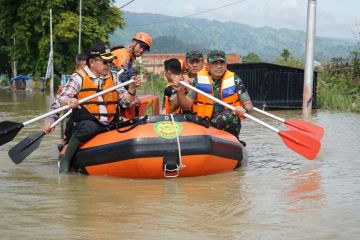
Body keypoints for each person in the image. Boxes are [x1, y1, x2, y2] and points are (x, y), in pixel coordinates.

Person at [57, 42, 141, 173]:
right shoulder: (78, 77)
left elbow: (125, 103)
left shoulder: (113, 77)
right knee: (88, 127)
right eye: (104, 62)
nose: (108, 65)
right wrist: (70, 100)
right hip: (90, 122)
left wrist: (131, 90)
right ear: (92, 62)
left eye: (110, 62)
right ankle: (66, 159)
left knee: (130, 123)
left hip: (111, 122)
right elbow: (61, 99)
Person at [173, 50, 254, 140]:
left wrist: (244, 109)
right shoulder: (199, 81)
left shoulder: (235, 80)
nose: (218, 66)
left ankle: (215, 133)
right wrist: (179, 91)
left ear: (226, 64)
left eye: (221, 63)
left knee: (230, 116)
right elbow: (186, 106)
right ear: (208, 66)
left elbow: (249, 106)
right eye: (214, 63)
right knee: (188, 116)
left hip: (227, 126)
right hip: (205, 123)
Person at [42, 53, 88, 135]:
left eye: (88, 69)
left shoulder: (99, 82)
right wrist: (49, 122)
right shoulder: (68, 86)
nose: (86, 72)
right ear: (76, 68)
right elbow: (55, 106)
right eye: (83, 68)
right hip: (73, 125)